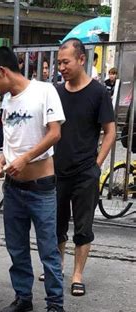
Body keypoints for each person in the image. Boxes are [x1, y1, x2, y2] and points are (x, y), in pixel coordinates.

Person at [0, 46, 66, 312]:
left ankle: (55, 302)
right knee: (16, 247)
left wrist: (26, 158)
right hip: (13, 188)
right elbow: (12, 140)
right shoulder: (7, 101)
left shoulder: (44, 91)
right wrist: (2, 159)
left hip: (41, 186)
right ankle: (23, 297)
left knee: (48, 248)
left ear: (3, 72)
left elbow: (55, 133)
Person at [51, 38, 116, 296]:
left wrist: (97, 164)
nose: (61, 67)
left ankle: (77, 274)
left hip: (85, 173)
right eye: (59, 63)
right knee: (56, 224)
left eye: (65, 62)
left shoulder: (99, 93)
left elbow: (109, 132)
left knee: (83, 226)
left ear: (81, 59)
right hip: (57, 171)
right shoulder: (55, 92)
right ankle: (58, 266)